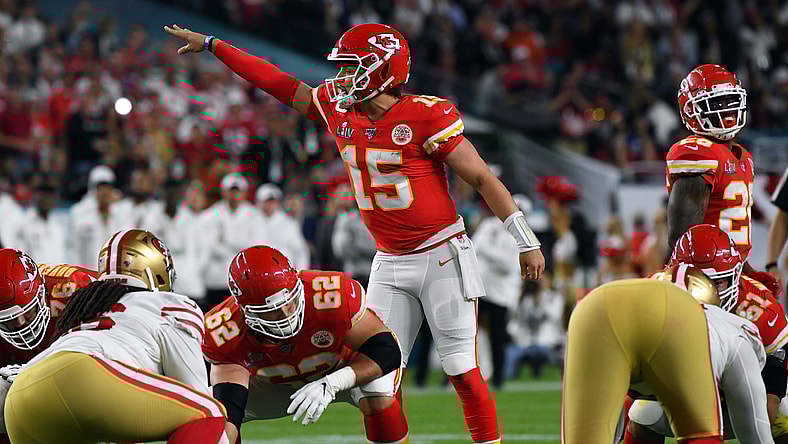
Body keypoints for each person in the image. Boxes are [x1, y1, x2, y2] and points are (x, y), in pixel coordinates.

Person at [166, 23, 545, 442]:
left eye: (352, 67)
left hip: (441, 254)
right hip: (388, 259)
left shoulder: (426, 115)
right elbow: (277, 82)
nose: (342, 77)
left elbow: (482, 178)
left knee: (461, 368)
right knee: (377, 382)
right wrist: (216, 46)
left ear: (383, 69)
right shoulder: (338, 107)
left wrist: (525, 239)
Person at [2, 229, 229, 443]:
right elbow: (195, 394)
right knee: (209, 411)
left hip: (18, 398)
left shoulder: (86, 306)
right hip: (80, 376)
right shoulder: (170, 305)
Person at [203, 246, 407, 444]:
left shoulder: (330, 293)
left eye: (290, 302)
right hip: (275, 385)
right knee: (213, 415)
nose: (286, 315)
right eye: (272, 311)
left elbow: (386, 350)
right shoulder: (225, 331)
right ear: (246, 310)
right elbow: (231, 410)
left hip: (340, 369)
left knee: (378, 389)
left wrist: (333, 382)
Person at [627, 225, 788, 443]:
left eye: (717, 282)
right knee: (641, 412)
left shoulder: (757, 306)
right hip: (683, 388)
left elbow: (776, 370)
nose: (707, 291)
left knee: (782, 413)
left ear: (734, 277)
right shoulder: (654, 294)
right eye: (697, 280)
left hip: (740, 395)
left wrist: (766, 401)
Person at [562, 266, 724, 444]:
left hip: (597, 312)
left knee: (645, 412)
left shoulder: (731, 337)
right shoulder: (629, 332)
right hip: (606, 322)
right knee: (644, 413)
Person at [665, 64, 778, 293]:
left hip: (728, 275)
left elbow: (731, 244)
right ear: (691, 110)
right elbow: (684, 241)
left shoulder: (742, 156)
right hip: (705, 279)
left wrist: (747, 274)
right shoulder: (697, 152)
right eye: (716, 104)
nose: (726, 110)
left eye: (730, 101)